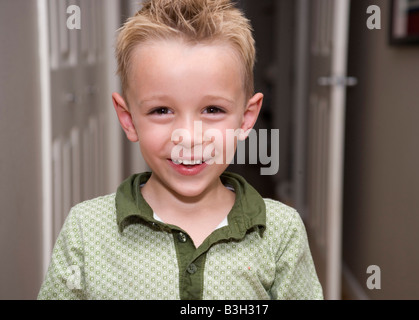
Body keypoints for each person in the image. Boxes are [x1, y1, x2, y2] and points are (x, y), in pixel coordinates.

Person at [38, 0, 323, 300]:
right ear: (128, 119)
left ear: (246, 117)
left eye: (212, 109)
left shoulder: (281, 232)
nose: (188, 137)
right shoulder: (86, 229)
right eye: (162, 110)